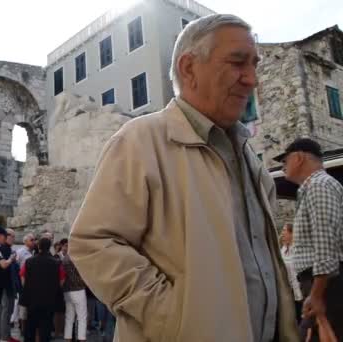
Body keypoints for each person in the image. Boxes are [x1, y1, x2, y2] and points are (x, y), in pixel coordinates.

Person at [69, 14, 299, 342]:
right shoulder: (140, 141)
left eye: (254, 64)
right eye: (237, 63)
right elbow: (93, 243)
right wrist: (174, 318)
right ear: (189, 68)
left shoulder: (251, 160)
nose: (251, 79)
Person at [274, 138, 343, 340]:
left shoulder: (319, 185)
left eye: (285, 161)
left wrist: (317, 294)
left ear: (299, 157)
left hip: (325, 284)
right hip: (321, 282)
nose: (283, 167)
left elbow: (326, 244)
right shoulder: (314, 187)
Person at [20, 237, 66, 342]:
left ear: (38, 247)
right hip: (49, 300)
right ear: (49, 247)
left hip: (32, 299)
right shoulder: (56, 263)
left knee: (30, 326)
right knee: (46, 327)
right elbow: (62, 280)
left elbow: (23, 278)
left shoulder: (29, 262)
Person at [60, 239, 87, 342]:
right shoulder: (76, 258)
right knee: (82, 317)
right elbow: (78, 276)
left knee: (69, 317)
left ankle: (68, 339)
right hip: (78, 289)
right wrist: (85, 283)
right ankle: (82, 339)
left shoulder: (65, 259)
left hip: (67, 290)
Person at [0, 228, 20, 342]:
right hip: (6, 285)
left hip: (8, 284)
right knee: (6, 311)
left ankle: (3, 335)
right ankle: (4, 337)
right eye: (12, 236)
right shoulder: (3, 249)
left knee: (4, 311)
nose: (13, 238)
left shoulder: (7, 249)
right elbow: (5, 267)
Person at [280, 223, 304, 323]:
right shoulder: (283, 249)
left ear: (291, 233)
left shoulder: (297, 249)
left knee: (301, 316)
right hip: (288, 290)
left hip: (299, 289)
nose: (282, 233)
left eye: (284, 230)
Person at [15, 233, 35, 335]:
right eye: (31, 240)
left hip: (33, 283)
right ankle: (23, 328)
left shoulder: (34, 252)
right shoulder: (20, 252)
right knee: (23, 306)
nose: (34, 241)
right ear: (25, 241)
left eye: (34, 240)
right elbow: (16, 266)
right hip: (23, 282)